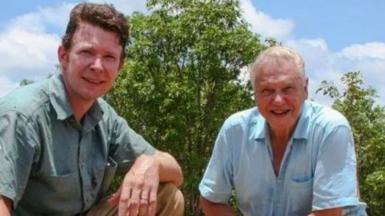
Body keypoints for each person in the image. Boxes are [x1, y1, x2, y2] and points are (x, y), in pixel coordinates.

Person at [0, 3, 184, 216]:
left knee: (167, 195)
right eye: (87, 52)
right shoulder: (22, 115)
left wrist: (150, 162)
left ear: (119, 66)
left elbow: (176, 173)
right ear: (63, 56)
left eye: (109, 57)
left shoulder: (106, 119)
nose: (98, 66)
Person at [199, 46, 367, 216]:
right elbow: (211, 199)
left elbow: (329, 213)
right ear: (255, 93)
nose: (278, 100)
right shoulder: (234, 131)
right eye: (267, 91)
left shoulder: (330, 128)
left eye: (288, 89)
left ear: (305, 88)